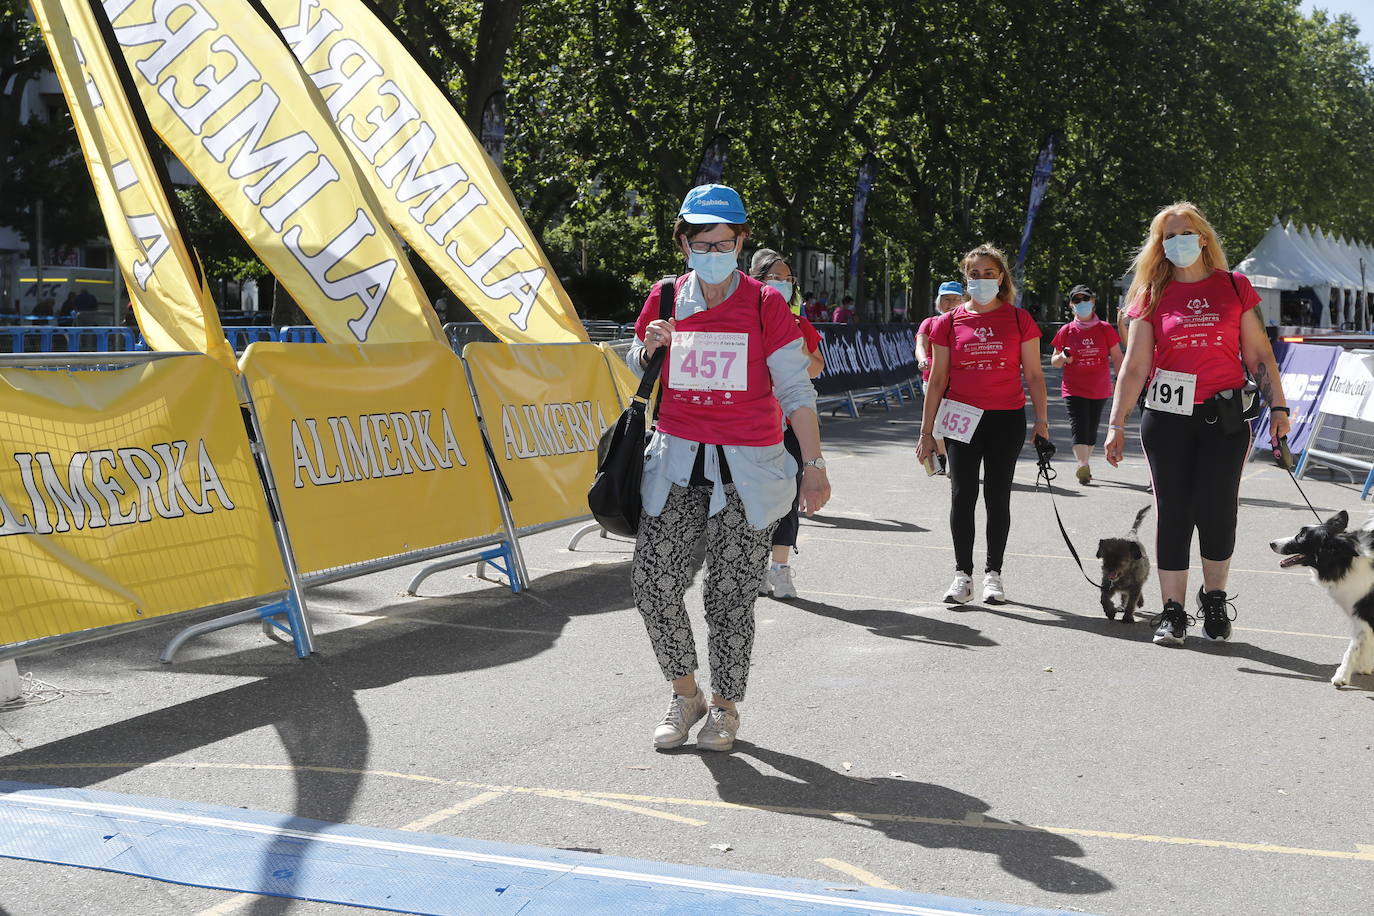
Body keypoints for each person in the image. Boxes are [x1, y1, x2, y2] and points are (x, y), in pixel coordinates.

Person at [626, 184, 830, 752]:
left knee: (732, 595)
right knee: (653, 583)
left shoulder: (766, 304)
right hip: (676, 464)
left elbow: (794, 386)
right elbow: (636, 363)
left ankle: (724, 708)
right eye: (700, 241)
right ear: (684, 243)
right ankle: (686, 692)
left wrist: (812, 463)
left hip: (750, 470)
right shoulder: (666, 296)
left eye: (723, 241)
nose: (711, 250)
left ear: (741, 241)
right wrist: (648, 349)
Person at [1104, 202, 1290, 647]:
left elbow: (1260, 355)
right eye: (1168, 235)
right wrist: (1116, 424)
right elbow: (1134, 366)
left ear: (1203, 238)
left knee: (1218, 511)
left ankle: (1215, 599)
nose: (1177, 241)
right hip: (1167, 418)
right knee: (1174, 512)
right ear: (1159, 244)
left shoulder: (1234, 286)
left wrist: (1279, 409)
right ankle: (1172, 612)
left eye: (1185, 232)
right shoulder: (1151, 293)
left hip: (1222, 418)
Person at [915, 244, 1048, 605]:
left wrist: (1042, 420)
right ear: (965, 278)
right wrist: (927, 433)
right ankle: (962, 575)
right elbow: (938, 378)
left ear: (1001, 277)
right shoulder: (948, 322)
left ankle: (994, 574)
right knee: (962, 496)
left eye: (989, 273)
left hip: (1006, 418)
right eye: (974, 274)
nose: (982, 279)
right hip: (961, 419)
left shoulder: (1020, 320)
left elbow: (1035, 375)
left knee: (997, 496)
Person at [749, 248, 825, 600]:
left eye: (786, 279)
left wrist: (790, 348)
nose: (781, 284)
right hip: (749, 424)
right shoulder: (739, 318)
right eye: (772, 278)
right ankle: (749, 566)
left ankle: (780, 568)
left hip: (791, 422)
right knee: (749, 499)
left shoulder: (798, 325)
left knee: (788, 497)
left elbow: (815, 368)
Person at [1050, 285, 1123, 484]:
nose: (1082, 303)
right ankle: (1082, 464)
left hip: (1099, 387)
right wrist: (1064, 356)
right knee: (1079, 425)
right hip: (1074, 388)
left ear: (1093, 302)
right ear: (1071, 305)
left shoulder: (1105, 329)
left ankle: (1085, 462)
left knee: (1091, 428)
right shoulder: (1066, 330)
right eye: (1077, 300)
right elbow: (1054, 362)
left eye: (1085, 299)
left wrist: (1120, 380)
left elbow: (1117, 357)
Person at [915, 281, 964, 474]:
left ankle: (953, 463)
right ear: (938, 301)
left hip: (960, 384)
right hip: (933, 380)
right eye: (946, 299)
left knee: (956, 424)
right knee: (936, 425)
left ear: (962, 301)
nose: (950, 303)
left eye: (955, 299)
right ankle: (940, 459)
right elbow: (920, 345)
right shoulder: (930, 322)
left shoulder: (966, 323)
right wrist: (922, 360)